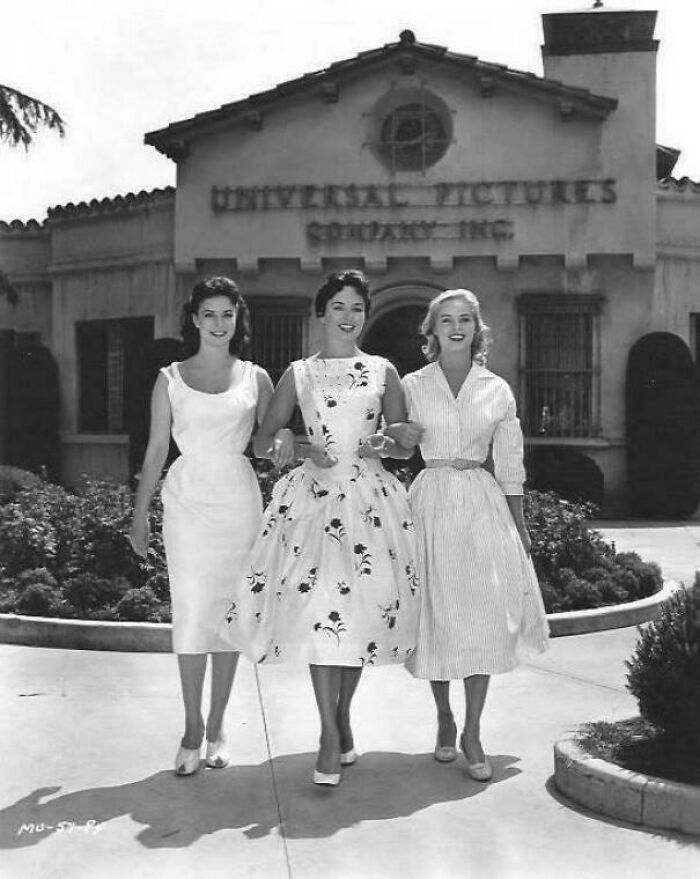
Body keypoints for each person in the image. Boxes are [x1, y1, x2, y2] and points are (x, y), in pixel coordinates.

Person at [224, 269, 419, 786]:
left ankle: (342, 716)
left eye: (357, 306)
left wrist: (391, 444)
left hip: (370, 505)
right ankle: (328, 736)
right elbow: (264, 443)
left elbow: (403, 444)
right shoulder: (298, 374)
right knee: (320, 616)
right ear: (322, 312)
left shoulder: (384, 371)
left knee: (355, 619)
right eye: (339, 306)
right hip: (312, 505)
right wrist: (297, 444)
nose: (349, 316)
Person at [388, 289, 549, 782]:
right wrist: (393, 440)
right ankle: (443, 714)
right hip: (430, 499)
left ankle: (473, 731)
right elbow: (392, 447)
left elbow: (511, 463)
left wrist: (519, 524)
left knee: (481, 616)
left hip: (481, 504)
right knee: (436, 615)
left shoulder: (496, 389)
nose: (456, 327)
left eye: (465, 320)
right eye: (446, 320)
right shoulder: (412, 385)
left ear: (477, 329)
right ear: (432, 332)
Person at [128, 276, 273, 776]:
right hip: (187, 503)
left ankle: (217, 726)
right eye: (208, 314)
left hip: (239, 503)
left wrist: (287, 443)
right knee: (190, 612)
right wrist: (139, 514)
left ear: (238, 320)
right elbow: (154, 452)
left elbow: (266, 443)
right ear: (194, 319)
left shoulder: (256, 378)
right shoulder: (169, 379)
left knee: (229, 616)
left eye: (227, 315)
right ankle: (191, 728)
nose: (218, 324)